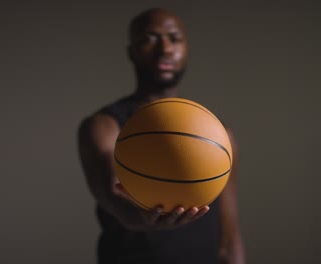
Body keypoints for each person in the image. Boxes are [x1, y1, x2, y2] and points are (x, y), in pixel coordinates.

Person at [78, 8, 245, 264]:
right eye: (150, 38)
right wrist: (138, 216)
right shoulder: (103, 126)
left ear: (186, 49)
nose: (165, 48)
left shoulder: (219, 133)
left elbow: (230, 239)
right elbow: (112, 195)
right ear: (132, 52)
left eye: (174, 38)